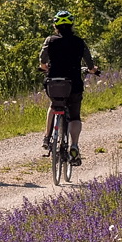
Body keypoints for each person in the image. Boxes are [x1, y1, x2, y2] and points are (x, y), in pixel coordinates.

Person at [39, 9, 99, 164]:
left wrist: (45, 67)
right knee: (75, 116)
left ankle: (47, 137)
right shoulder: (79, 42)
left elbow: (42, 61)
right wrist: (93, 70)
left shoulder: (50, 40)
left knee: (54, 106)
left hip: (54, 82)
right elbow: (89, 63)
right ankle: (74, 145)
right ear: (71, 25)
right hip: (73, 84)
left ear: (55, 26)